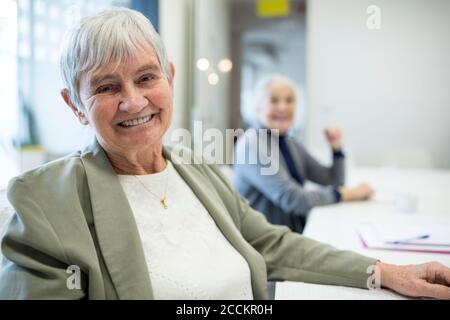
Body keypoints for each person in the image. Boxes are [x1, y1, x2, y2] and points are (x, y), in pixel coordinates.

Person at [0, 8, 449, 300]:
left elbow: (269, 243)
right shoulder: (42, 203)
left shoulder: (193, 163)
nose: (133, 101)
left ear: (170, 78)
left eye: (146, 77)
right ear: (74, 105)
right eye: (105, 87)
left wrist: (384, 272)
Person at [233, 75, 373, 233]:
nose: (283, 107)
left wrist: (336, 148)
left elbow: (333, 181)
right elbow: (293, 199)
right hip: (264, 245)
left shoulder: (289, 143)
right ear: (258, 107)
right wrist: (348, 193)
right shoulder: (253, 144)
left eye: (289, 100)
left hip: (291, 235)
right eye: (273, 100)